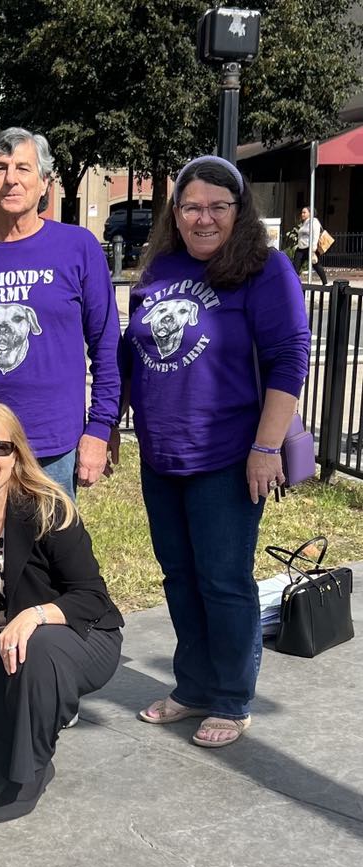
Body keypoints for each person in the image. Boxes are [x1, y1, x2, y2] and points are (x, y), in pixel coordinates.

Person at [115, 155, 310, 748]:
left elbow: (288, 361)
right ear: (175, 213)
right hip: (162, 453)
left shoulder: (264, 269)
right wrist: (111, 419)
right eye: (191, 206)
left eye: (217, 207)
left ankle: (231, 696)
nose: (203, 218)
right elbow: (135, 351)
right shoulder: (159, 268)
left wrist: (265, 446)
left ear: (238, 210)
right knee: (179, 577)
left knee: (224, 580)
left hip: (229, 454)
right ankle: (194, 685)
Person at [0, 400, 123, 823]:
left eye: (0, 447)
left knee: (41, 646)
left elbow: (92, 597)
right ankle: (36, 728)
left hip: (78, 638)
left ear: (18, 455)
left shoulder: (47, 510)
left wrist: (35, 614)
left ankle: (30, 772)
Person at [0, 127, 121, 500]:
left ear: (45, 182)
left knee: (49, 552)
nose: (11, 179)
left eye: (23, 168)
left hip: (51, 443)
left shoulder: (78, 248)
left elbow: (106, 345)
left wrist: (99, 427)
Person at [292, 206, 328, 285]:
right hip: (301, 248)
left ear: (310, 213)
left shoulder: (314, 221)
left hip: (310, 248)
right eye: (302, 212)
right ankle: (293, 284)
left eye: (304, 212)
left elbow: (315, 234)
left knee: (316, 265)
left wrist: (313, 249)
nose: (302, 214)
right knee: (295, 267)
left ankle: (325, 282)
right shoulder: (305, 222)